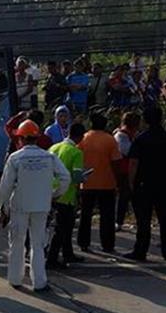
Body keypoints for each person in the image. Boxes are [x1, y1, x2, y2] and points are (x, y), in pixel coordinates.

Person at [0, 120, 71, 291]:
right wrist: (54, 194)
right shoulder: (49, 157)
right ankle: (39, 282)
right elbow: (65, 177)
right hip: (42, 205)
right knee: (38, 244)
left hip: (20, 205)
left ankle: (15, 279)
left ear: (21, 138)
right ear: (37, 138)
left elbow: (5, 186)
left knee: (17, 242)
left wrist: (3, 207)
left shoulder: (15, 158)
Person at [123, 106, 166, 263]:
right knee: (165, 219)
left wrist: (131, 182)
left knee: (143, 220)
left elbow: (133, 163)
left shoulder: (141, 139)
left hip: (144, 183)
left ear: (146, 120)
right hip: (164, 182)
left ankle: (140, 250)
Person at [77, 113, 121, 254]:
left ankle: (83, 242)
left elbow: (78, 158)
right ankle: (107, 244)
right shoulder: (110, 140)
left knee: (85, 215)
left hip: (87, 182)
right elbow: (116, 161)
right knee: (107, 216)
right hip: (107, 182)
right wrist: (118, 180)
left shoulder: (84, 138)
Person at [48, 123, 87, 269]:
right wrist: (84, 177)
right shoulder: (76, 152)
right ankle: (52, 258)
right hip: (66, 195)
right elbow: (76, 177)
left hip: (51, 192)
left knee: (63, 227)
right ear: (80, 137)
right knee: (63, 229)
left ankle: (67, 253)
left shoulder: (54, 148)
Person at [114, 112, 141, 230]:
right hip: (124, 171)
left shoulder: (130, 135)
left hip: (129, 170)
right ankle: (119, 221)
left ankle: (137, 220)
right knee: (124, 196)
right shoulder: (121, 136)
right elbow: (128, 151)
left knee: (130, 197)